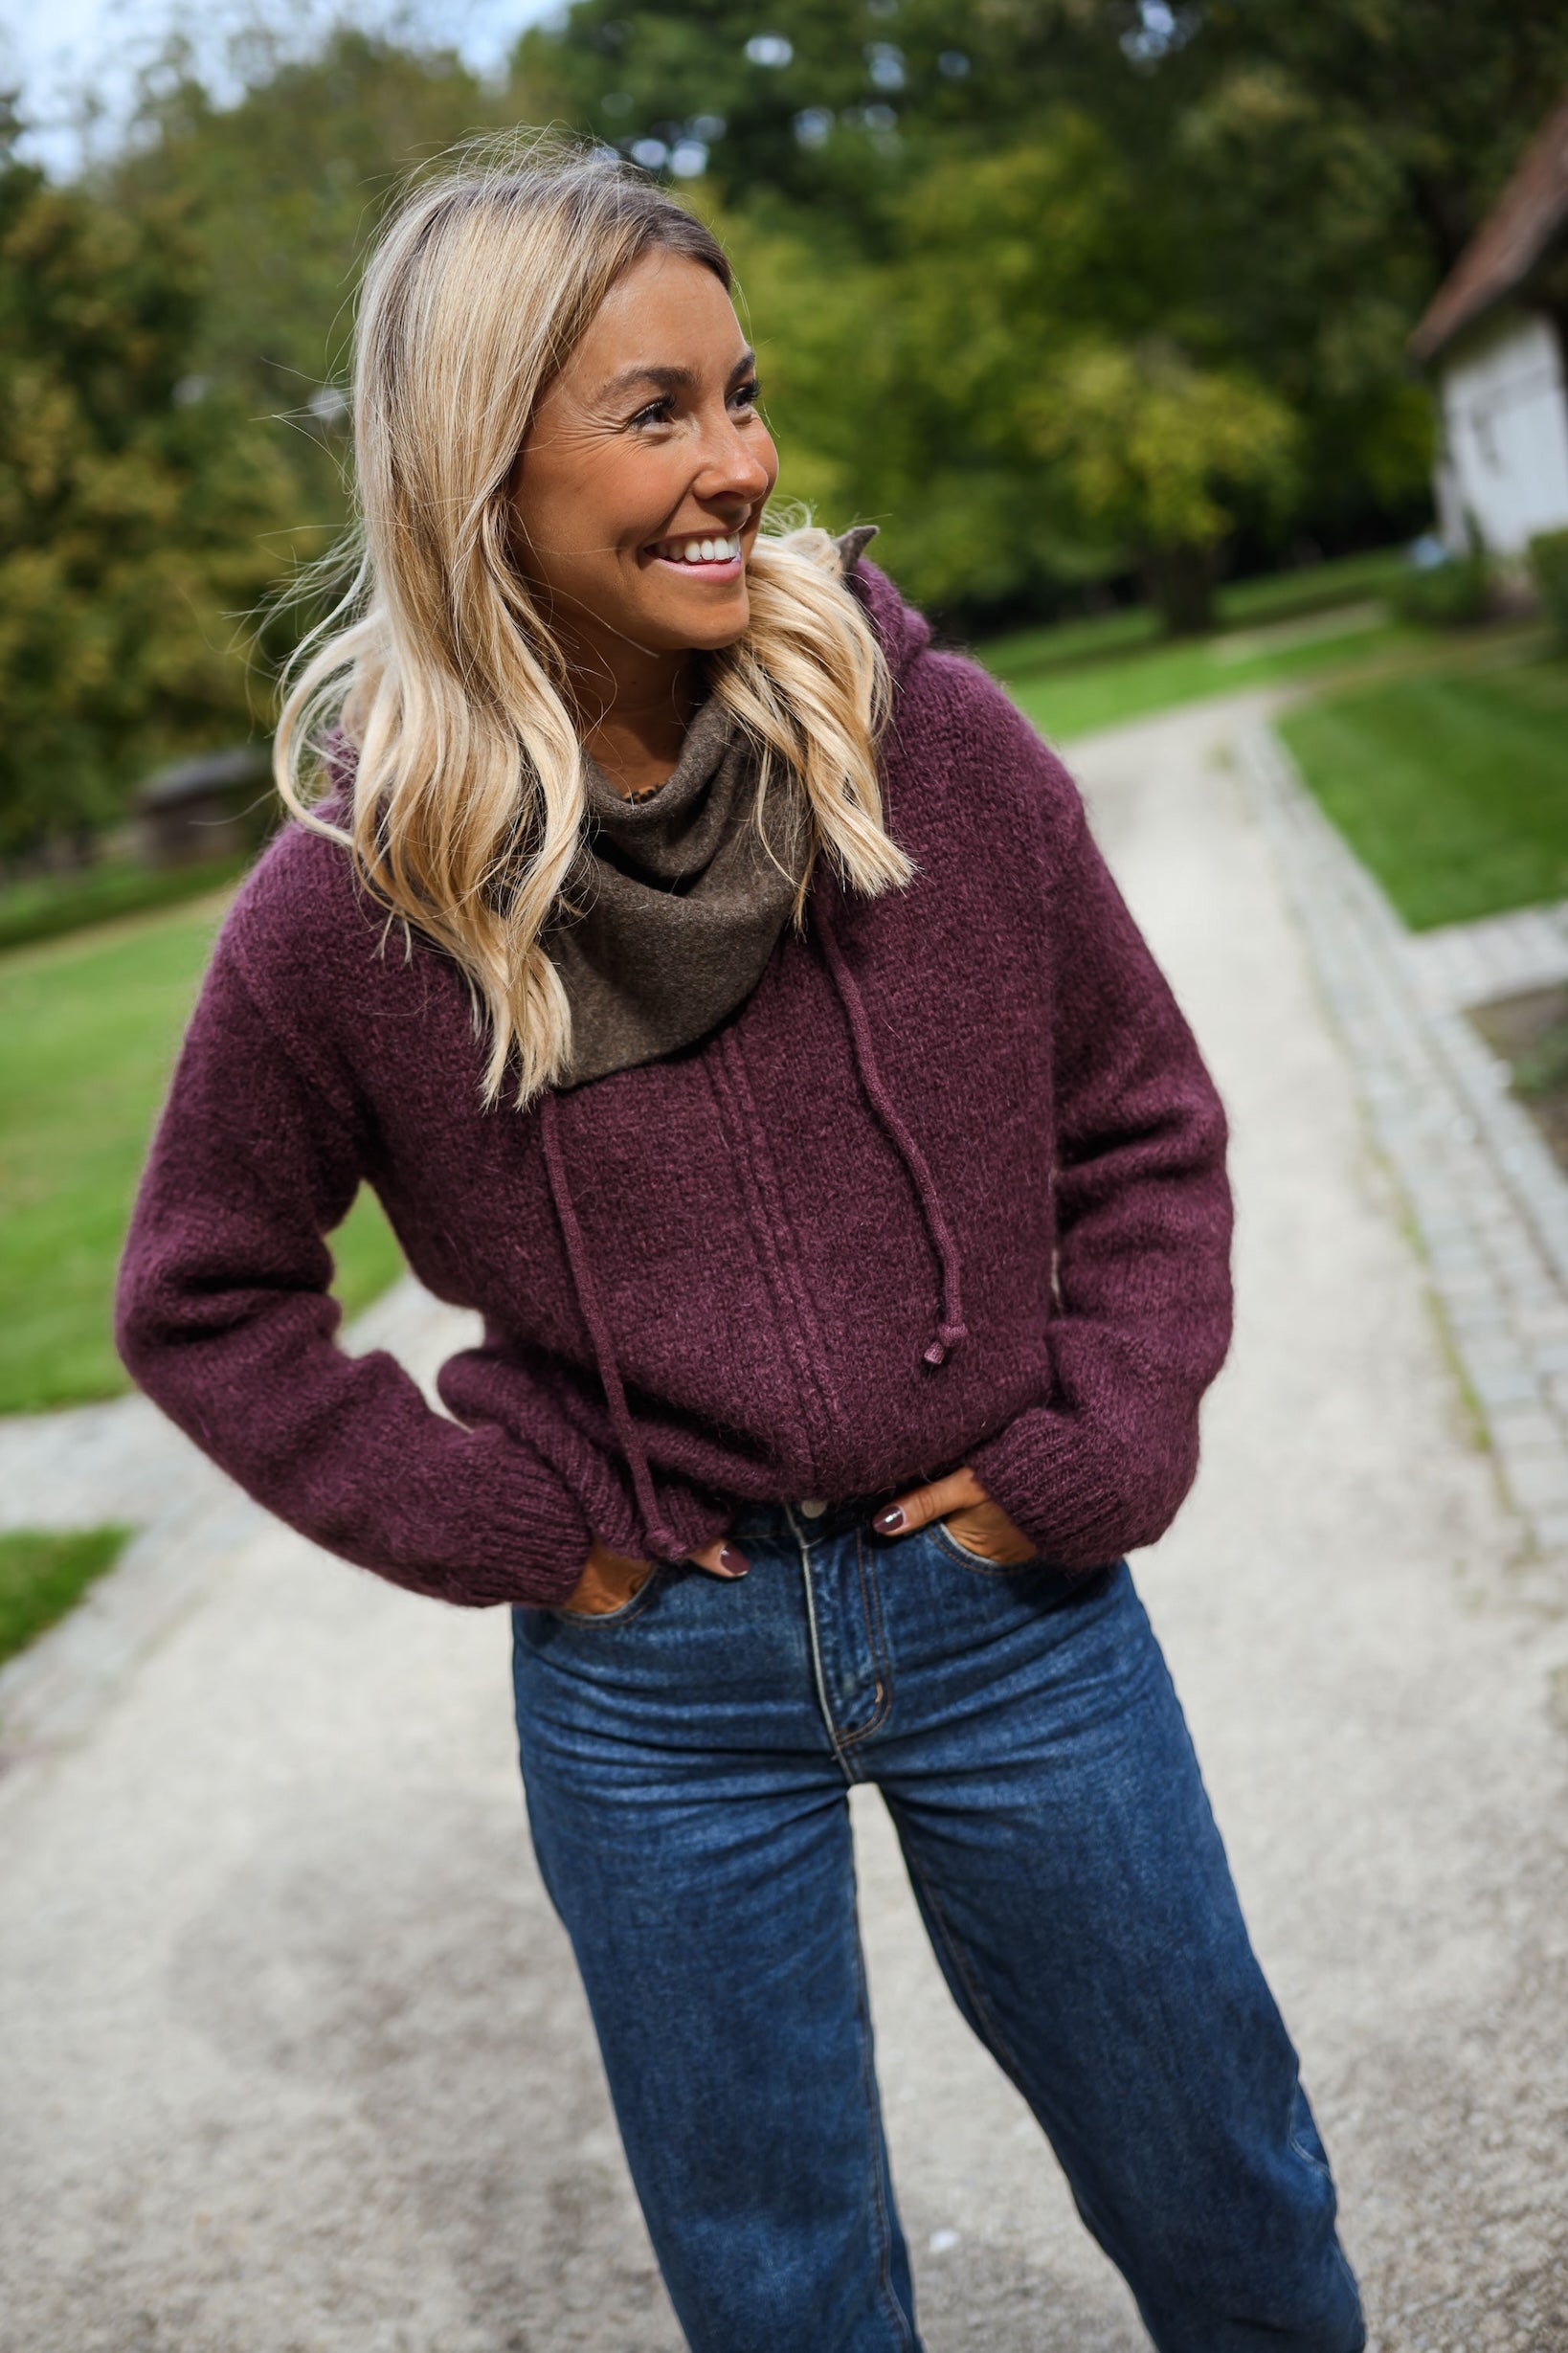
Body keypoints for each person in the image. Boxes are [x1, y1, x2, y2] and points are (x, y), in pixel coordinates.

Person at [116, 142, 1366, 2353]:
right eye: (659, 412)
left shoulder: (930, 749)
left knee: (1224, 2176)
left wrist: (1097, 1440)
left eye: (744, 394)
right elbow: (204, 1292)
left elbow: (1144, 1125)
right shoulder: (356, 903)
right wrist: (515, 1527)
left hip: (1013, 1617)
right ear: (478, 469)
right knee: (779, 2284)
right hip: (656, 1693)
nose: (744, 464)